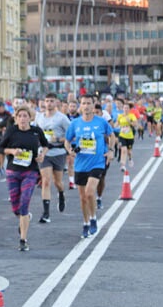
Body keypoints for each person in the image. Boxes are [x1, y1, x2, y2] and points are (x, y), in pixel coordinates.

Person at [0, 105, 49, 251]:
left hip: (30, 171)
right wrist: (13, 151)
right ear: (16, 118)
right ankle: (24, 218)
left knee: (25, 202)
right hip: (13, 171)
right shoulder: (11, 130)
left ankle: (23, 239)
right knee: (16, 207)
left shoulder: (36, 131)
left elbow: (46, 145)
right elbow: (1, 148)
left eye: (25, 116)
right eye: (20, 116)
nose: (22, 119)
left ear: (30, 118)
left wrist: (42, 155)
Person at [65, 94, 116, 239]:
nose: (86, 106)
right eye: (83, 103)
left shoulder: (101, 122)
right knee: (83, 198)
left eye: (89, 103)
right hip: (80, 164)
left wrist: (111, 151)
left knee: (89, 193)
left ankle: (93, 218)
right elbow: (67, 141)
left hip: (97, 163)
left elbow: (112, 136)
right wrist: (69, 150)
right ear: (80, 106)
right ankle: (86, 222)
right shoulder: (75, 124)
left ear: (93, 106)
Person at [35, 93, 71, 224]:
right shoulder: (39, 118)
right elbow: (35, 131)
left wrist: (57, 139)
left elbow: (70, 135)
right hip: (45, 153)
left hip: (59, 152)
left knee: (58, 182)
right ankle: (46, 213)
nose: (49, 103)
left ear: (56, 102)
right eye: (47, 101)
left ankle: (61, 194)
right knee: (45, 181)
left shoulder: (62, 118)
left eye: (51, 101)